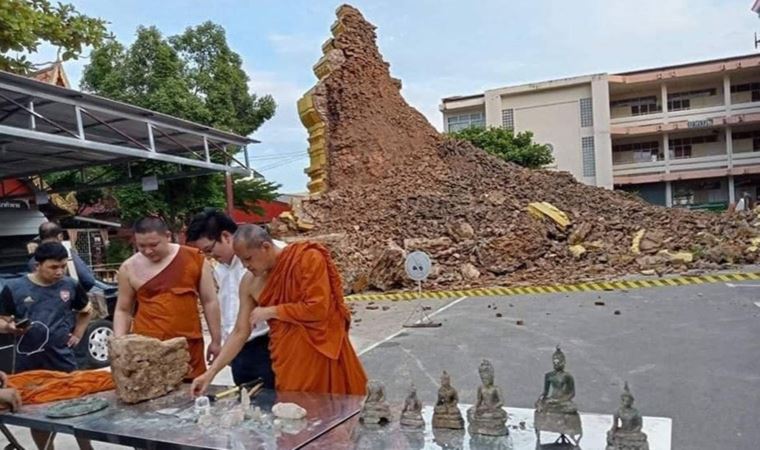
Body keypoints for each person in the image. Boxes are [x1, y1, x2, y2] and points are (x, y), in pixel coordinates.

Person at [191, 224, 367, 397]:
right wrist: (210, 373)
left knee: (335, 412)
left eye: (248, 258)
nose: (245, 266)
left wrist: (272, 311)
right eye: (242, 260)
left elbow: (319, 309)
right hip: (288, 361)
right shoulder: (249, 282)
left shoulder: (307, 259)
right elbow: (239, 332)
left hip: (321, 353)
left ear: (265, 247)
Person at [0, 242, 93, 449]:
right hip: (29, 364)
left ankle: (86, 447)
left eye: (62, 266)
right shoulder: (14, 288)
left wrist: (78, 333)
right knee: (39, 416)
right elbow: (2, 320)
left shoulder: (70, 285)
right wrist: (10, 328)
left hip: (64, 361)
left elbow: (86, 310)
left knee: (77, 409)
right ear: (38, 264)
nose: (59, 272)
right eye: (53, 267)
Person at [114, 216, 222, 379]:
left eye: (154, 245)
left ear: (168, 236)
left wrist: (216, 340)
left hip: (188, 344)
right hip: (147, 348)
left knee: (192, 394)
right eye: (141, 246)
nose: (148, 251)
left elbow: (210, 301)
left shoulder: (194, 258)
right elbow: (123, 310)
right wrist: (119, 346)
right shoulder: (128, 268)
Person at [185, 210, 277, 388]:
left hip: (268, 345)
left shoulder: (268, 257)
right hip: (238, 349)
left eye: (209, 250)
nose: (209, 256)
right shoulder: (221, 268)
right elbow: (237, 324)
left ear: (226, 236)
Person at [28, 222, 96, 292]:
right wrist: (76, 295)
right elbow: (88, 280)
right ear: (60, 236)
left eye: (63, 266)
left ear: (40, 237)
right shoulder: (68, 255)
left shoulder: (34, 259)